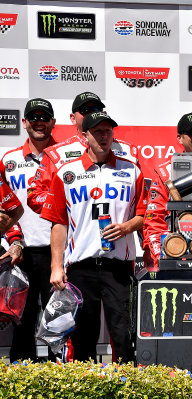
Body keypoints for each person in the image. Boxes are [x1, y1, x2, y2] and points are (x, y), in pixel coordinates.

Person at [42, 112, 145, 362]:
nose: (103, 136)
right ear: (84, 135)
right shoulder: (66, 173)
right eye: (97, 131)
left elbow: (145, 214)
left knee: (123, 336)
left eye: (108, 131)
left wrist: (127, 227)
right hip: (81, 268)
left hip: (118, 267)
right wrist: (56, 267)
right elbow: (59, 223)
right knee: (82, 337)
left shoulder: (131, 170)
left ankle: (127, 388)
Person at [0, 98, 58, 362]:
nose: (38, 122)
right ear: (23, 123)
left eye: (44, 117)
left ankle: (65, 375)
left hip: (58, 253)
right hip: (20, 251)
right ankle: (23, 377)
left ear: (53, 123)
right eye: (32, 117)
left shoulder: (67, 156)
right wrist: (14, 239)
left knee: (60, 318)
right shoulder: (8, 160)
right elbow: (4, 208)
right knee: (21, 319)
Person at [28, 92, 139, 214]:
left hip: (120, 229)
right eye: (85, 110)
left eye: (96, 109)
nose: (91, 113)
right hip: (77, 230)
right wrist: (66, 199)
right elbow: (34, 196)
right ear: (73, 118)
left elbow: (142, 202)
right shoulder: (57, 153)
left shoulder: (128, 151)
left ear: (104, 114)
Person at [143, 112, 192, 270]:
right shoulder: (165, 172)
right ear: (180, 138)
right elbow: (154, 219)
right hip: (178, 255)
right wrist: (162, 256)